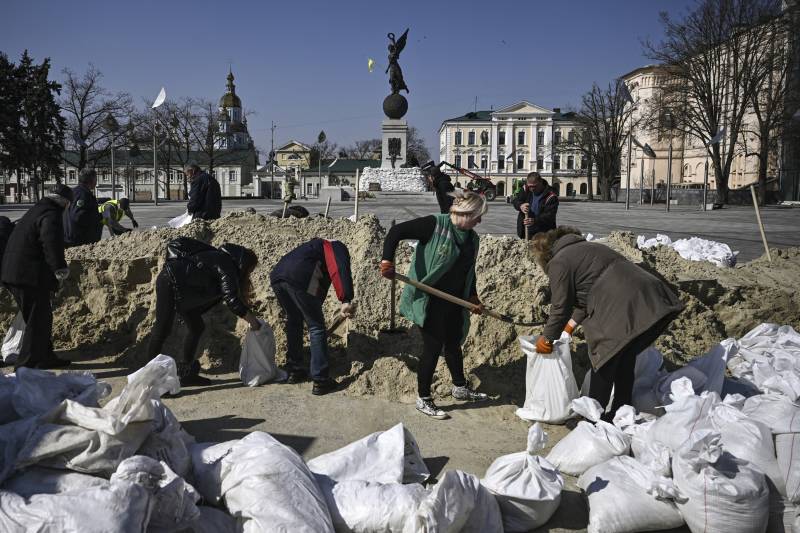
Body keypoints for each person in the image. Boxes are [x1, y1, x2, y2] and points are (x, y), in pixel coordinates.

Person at [531, 226, 684, 420]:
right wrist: (570, 326)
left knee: (604, 360)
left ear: (544, 256)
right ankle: (621, 412)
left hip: (621, 305)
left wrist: (547, 338)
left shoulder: (559, 262)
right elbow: (587, 294)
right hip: (652, 297)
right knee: (625, 358)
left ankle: (593, 419)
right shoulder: (589, 249)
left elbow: (560, 308)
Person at [380, 190, 489, 420]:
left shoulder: (472, 239)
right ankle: (424, 398)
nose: (480, 221)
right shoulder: (434, 225)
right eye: (478, 216)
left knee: (452, 343)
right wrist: (387, 260)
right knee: (432, 346)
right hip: (428, 298)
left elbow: (468, 272)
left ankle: (459, 387)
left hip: (454, 301)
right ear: (466, 212)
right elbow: (396, 232)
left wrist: (472, 297)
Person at [145, 241, 261, 386]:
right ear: (245, 264)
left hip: (185, 290)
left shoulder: (224, 261)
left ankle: (186, 373)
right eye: (250, 270)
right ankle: (150, 379)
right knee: (162, 329)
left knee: (196, 326)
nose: (249, 273)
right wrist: (253, 322)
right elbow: (231, 298)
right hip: (170, 281)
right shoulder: (225, 263)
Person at [270, 239, 355, 396]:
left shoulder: (310, 251)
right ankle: (321, 380)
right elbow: (340, 268)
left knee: (294, 320)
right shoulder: (335, 247)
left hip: (278, 277)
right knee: (316, 327)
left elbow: (315, 287)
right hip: (297, 278)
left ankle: (295, 370)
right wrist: (346, 299)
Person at [2, 185, 73, 369]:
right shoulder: (51, 214)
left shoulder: (37, 209)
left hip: (15, 273)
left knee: (40, 317)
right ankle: (26, 365)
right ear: (65, 203)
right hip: (27, 275)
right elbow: (50, 240)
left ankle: (45, 356)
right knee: (37, 319)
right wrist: (59, 268)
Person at [512, 172, 558, 240]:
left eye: (534, 186)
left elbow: (549, 216)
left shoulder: (551, 196)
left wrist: (535, 220)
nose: (531, 189)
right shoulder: (526, 189)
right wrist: (520, 206)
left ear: (541, 182)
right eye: (530, 186)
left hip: (543, 233)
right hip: (526, 231)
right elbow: (516, 201)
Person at [64, 168, 102, 247]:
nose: (96, 182)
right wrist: (99, 217)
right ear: (91, 180)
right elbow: (78, 216)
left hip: (72, 237)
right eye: (96, 179)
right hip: (78, 240)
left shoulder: (75, 192)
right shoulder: (83, 194)